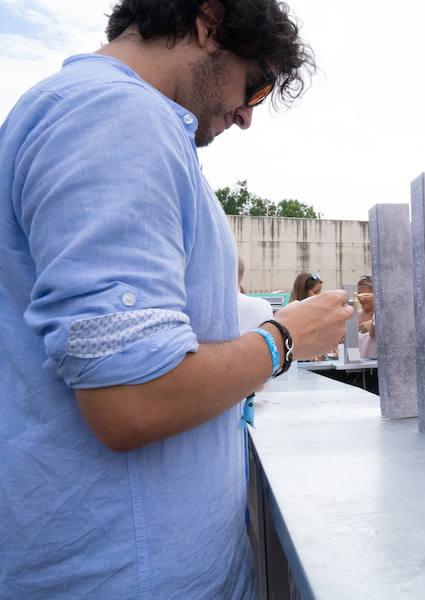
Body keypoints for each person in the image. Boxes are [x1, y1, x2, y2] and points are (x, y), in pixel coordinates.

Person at [0, 2, 354, 597]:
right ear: (208, 24)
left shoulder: (104, 116)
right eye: (255, 85)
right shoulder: (114, 117)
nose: (246, 114)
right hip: (127, 574)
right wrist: (285, 338)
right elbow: (132, 400)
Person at [356, 275, 376, 359]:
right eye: (359, 295)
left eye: (365, 295)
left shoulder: (383, 319)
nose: (361, 299)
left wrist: (372, 323)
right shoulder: (353, 317)